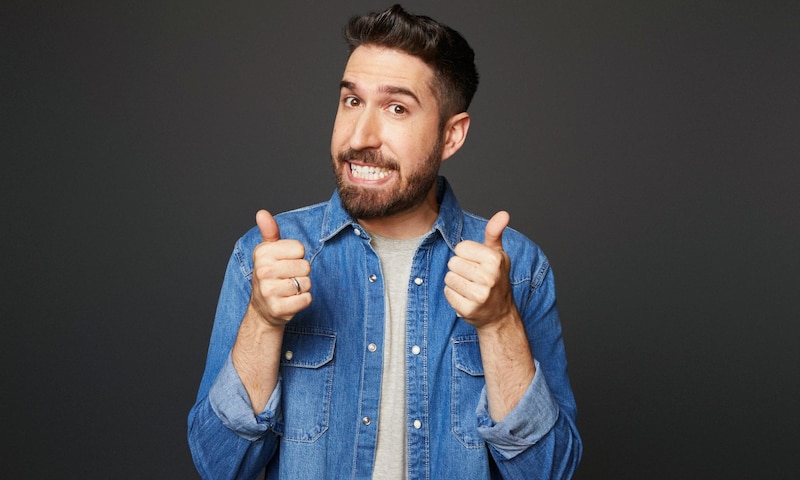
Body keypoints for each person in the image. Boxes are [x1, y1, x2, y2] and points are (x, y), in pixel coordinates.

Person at [188, 4, 581, 479]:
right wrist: (263, 323)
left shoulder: (517, 268)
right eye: (352, 101)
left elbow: (550, 472)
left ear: (451, 135)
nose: (360, 135)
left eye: (396, 108)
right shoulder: (264, 257)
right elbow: (218, 467)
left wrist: (498, 325)